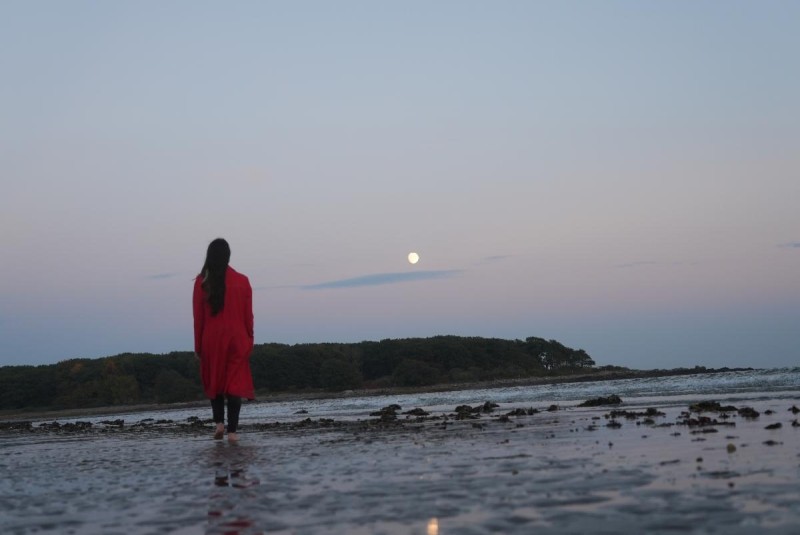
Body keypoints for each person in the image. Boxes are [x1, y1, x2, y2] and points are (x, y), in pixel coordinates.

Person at [193, 238, 255, 443]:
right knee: (234, 385)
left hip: (212, 339)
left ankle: (219, 423)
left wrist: (198, 346)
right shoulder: (243, 281)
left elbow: (198, 318)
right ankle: (233, 432)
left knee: (215, 380)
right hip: (237, 338)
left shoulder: (202, 282)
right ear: (228, 256)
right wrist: (249, 338)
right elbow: (248, 315)